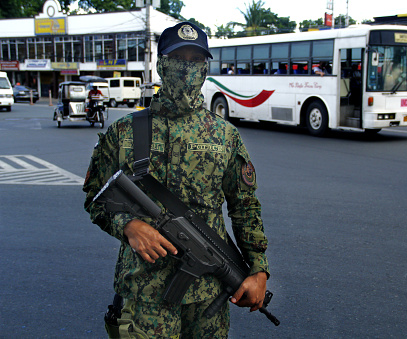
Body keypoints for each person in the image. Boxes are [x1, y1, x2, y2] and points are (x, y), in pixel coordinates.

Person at [82, 22, 270, 338]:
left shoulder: (225, 136)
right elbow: (94, 196)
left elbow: (245, 209)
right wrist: (128, 226)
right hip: (144, 293)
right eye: (177, 57)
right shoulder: (125, 132)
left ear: (206, 67)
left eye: (195, 59)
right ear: (160, 64)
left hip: (209, 296)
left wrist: (259, 270)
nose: (187, 67)